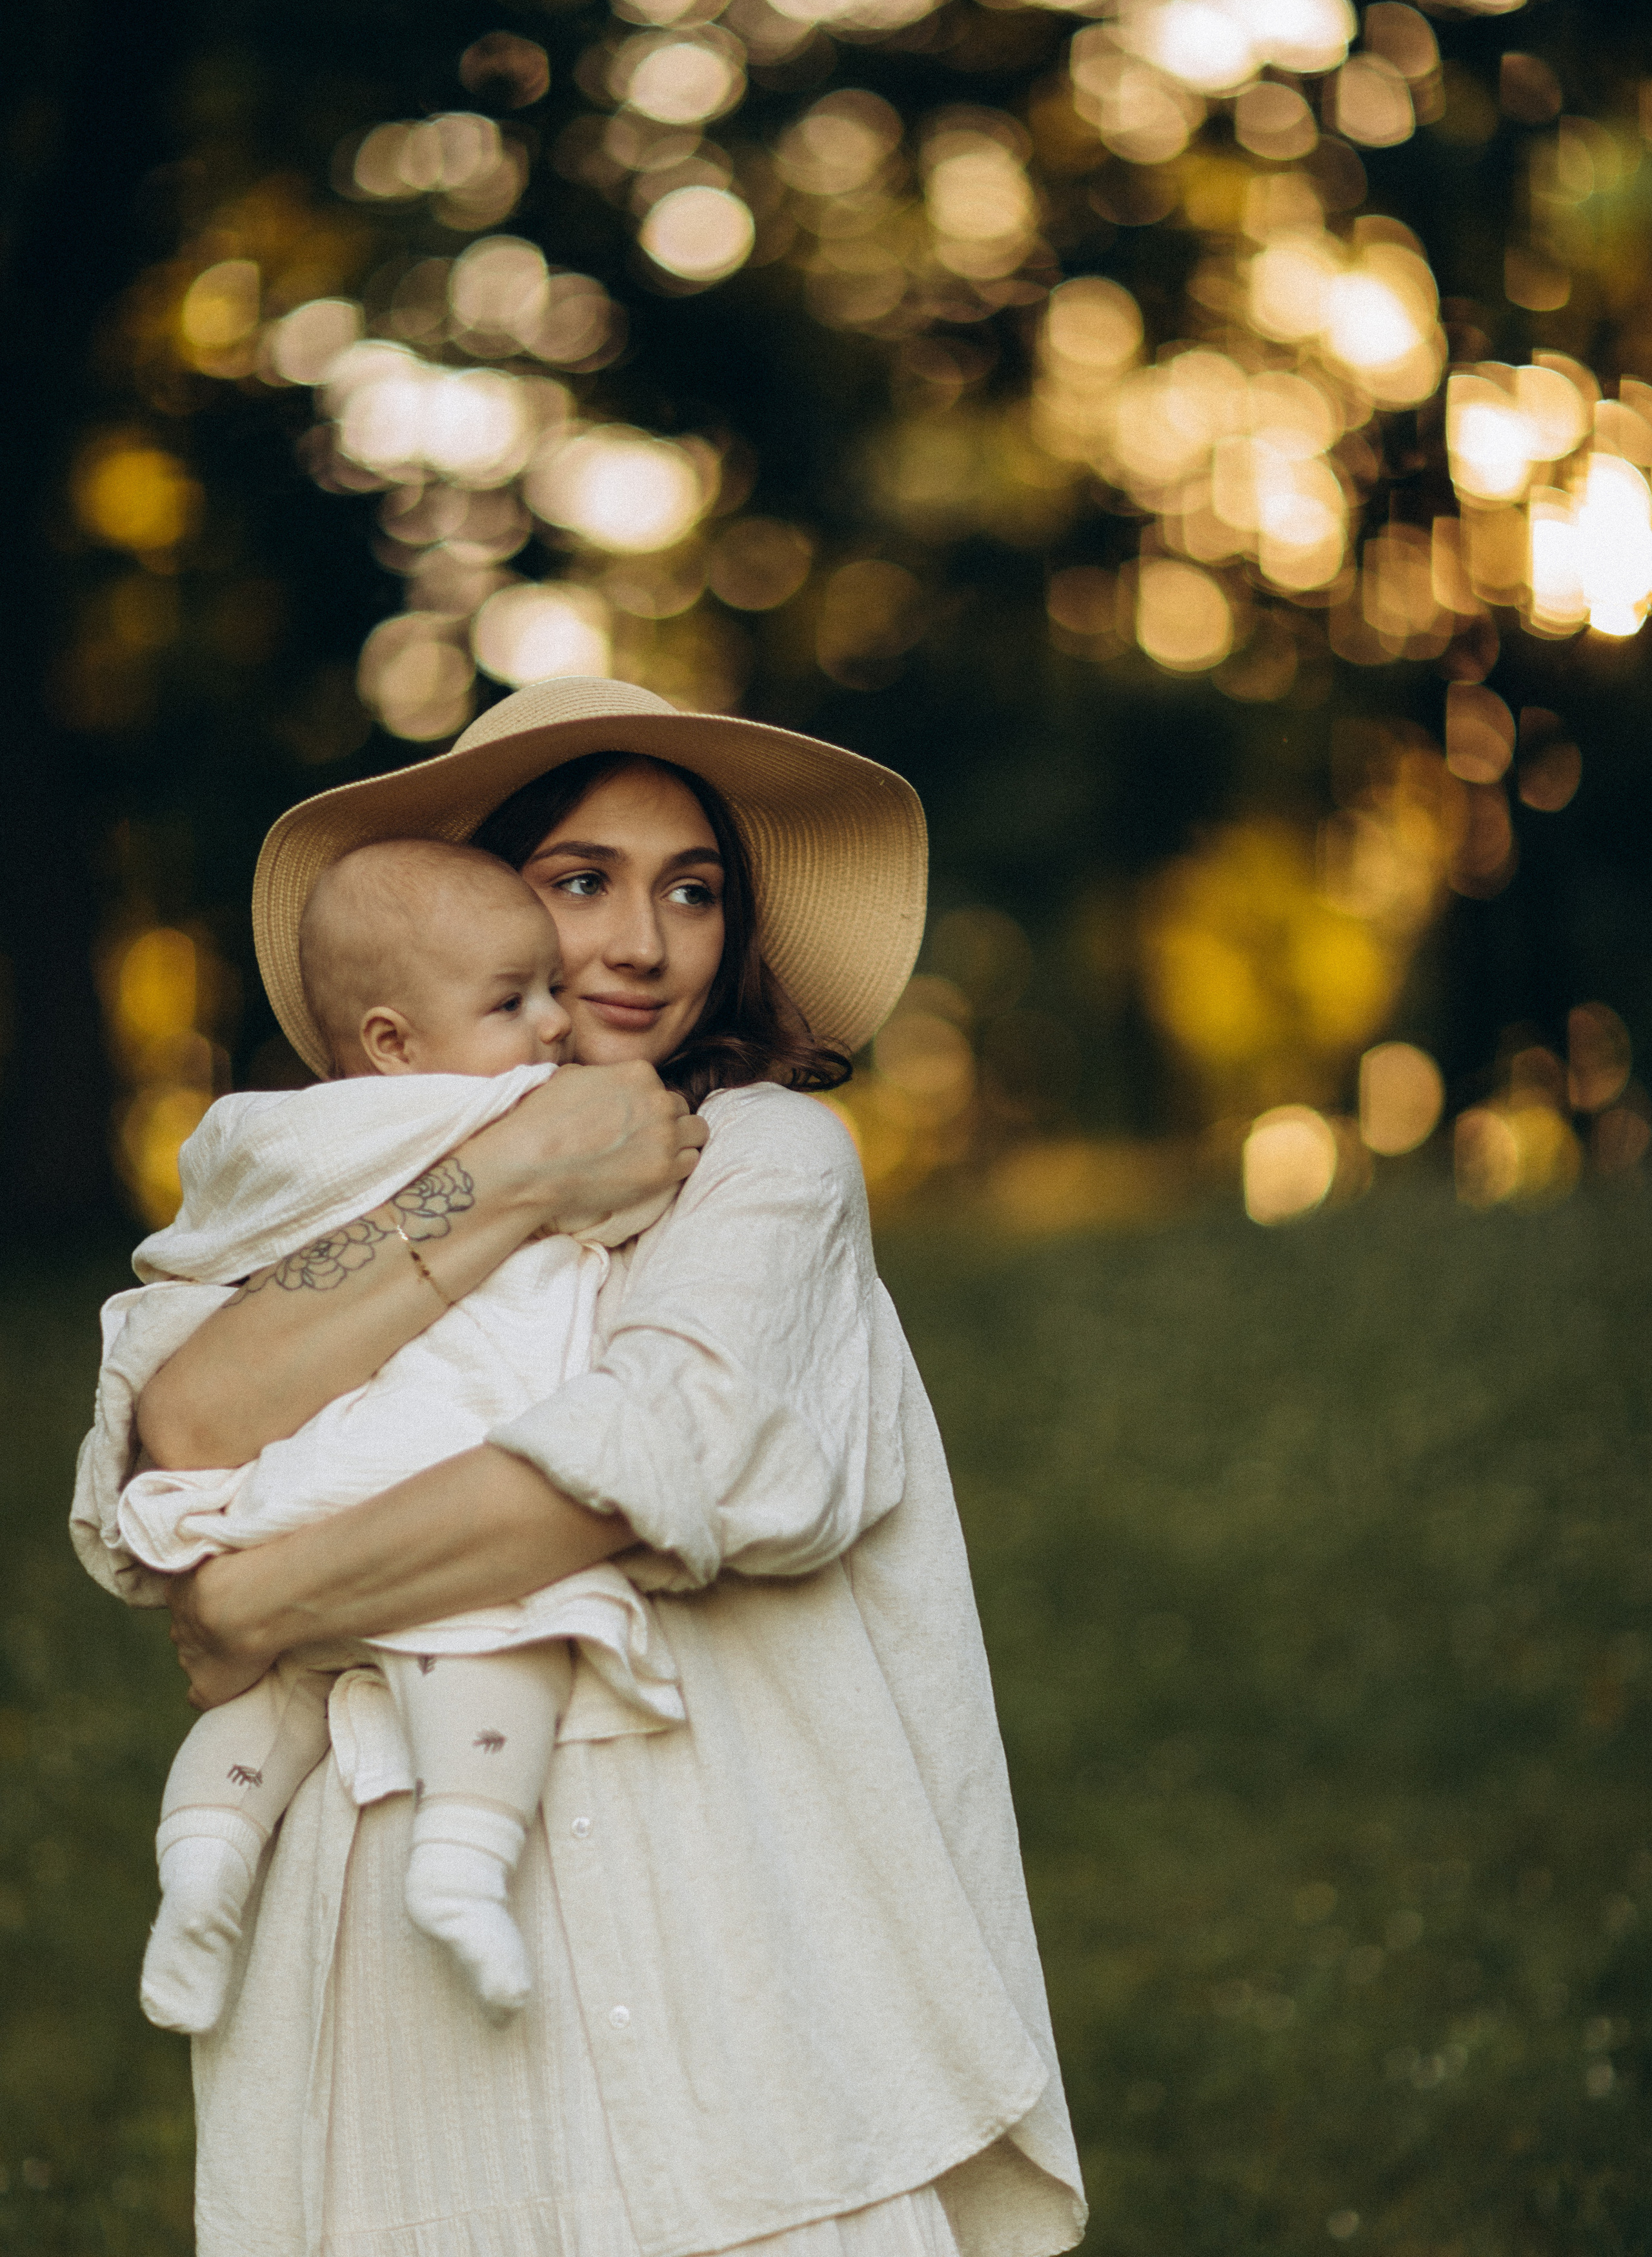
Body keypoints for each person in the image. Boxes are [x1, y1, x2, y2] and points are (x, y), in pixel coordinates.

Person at [74, 677, 1086, 2257]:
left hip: (722, 1949)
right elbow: (189, 1425)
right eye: (579, 880)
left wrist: (261, 1599)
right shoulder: (309, 1182)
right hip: (395, 1936)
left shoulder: (764, 1162)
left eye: (692, 890)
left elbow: (635, 1460)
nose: (641, 943)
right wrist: (517, 1164)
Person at [113, 840, 685, 2037]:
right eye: (580, 885)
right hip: (408, 1464)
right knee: (502, 1641)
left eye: (692, 891)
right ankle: (464, 1859)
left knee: (267, 1713)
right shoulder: (530, 1114)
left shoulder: (317, 1121)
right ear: (391, 1043)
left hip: (291, 1502)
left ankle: (202, 1875)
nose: (551, 1025)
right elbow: (192, 1377)